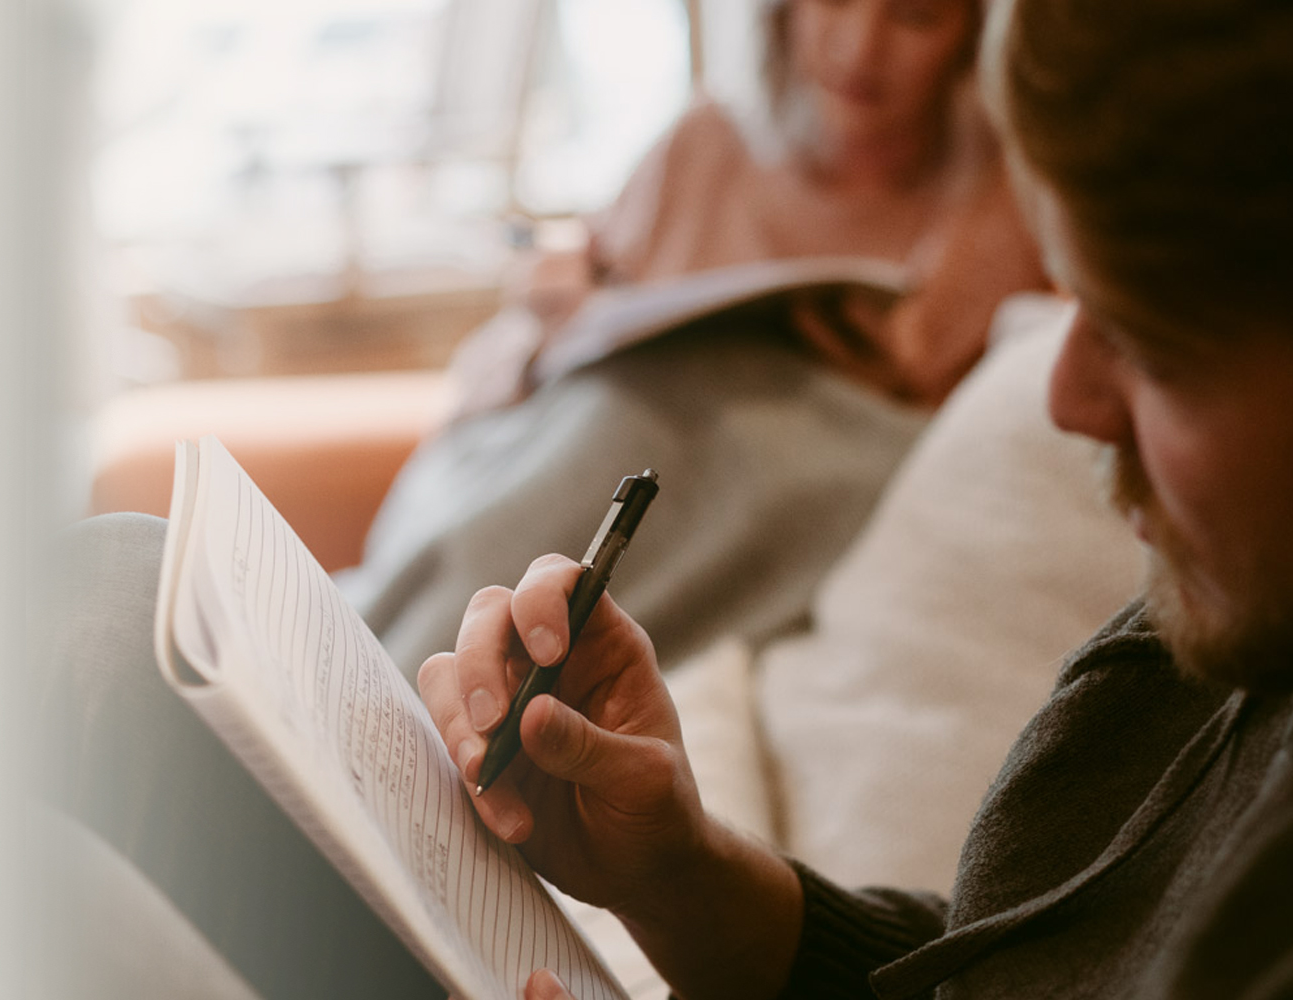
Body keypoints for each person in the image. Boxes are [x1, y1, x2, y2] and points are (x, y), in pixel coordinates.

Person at [418, 0, 1293, 994]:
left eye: (1151, 344)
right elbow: (1005, 966)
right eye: (1076, 305)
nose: (1066, 398)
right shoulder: (1191, 647)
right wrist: (678, 872)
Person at [336, 0, 1047, 680]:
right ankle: (386, 665)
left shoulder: (1004, 196)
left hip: (770, 521)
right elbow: (505, 378)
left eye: (916, 15)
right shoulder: (704, 143)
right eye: (831, 1)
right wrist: (549, 323)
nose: (862, 49)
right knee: (608, 419)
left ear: (970, 37)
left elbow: (947, 447)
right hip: (600, 461)